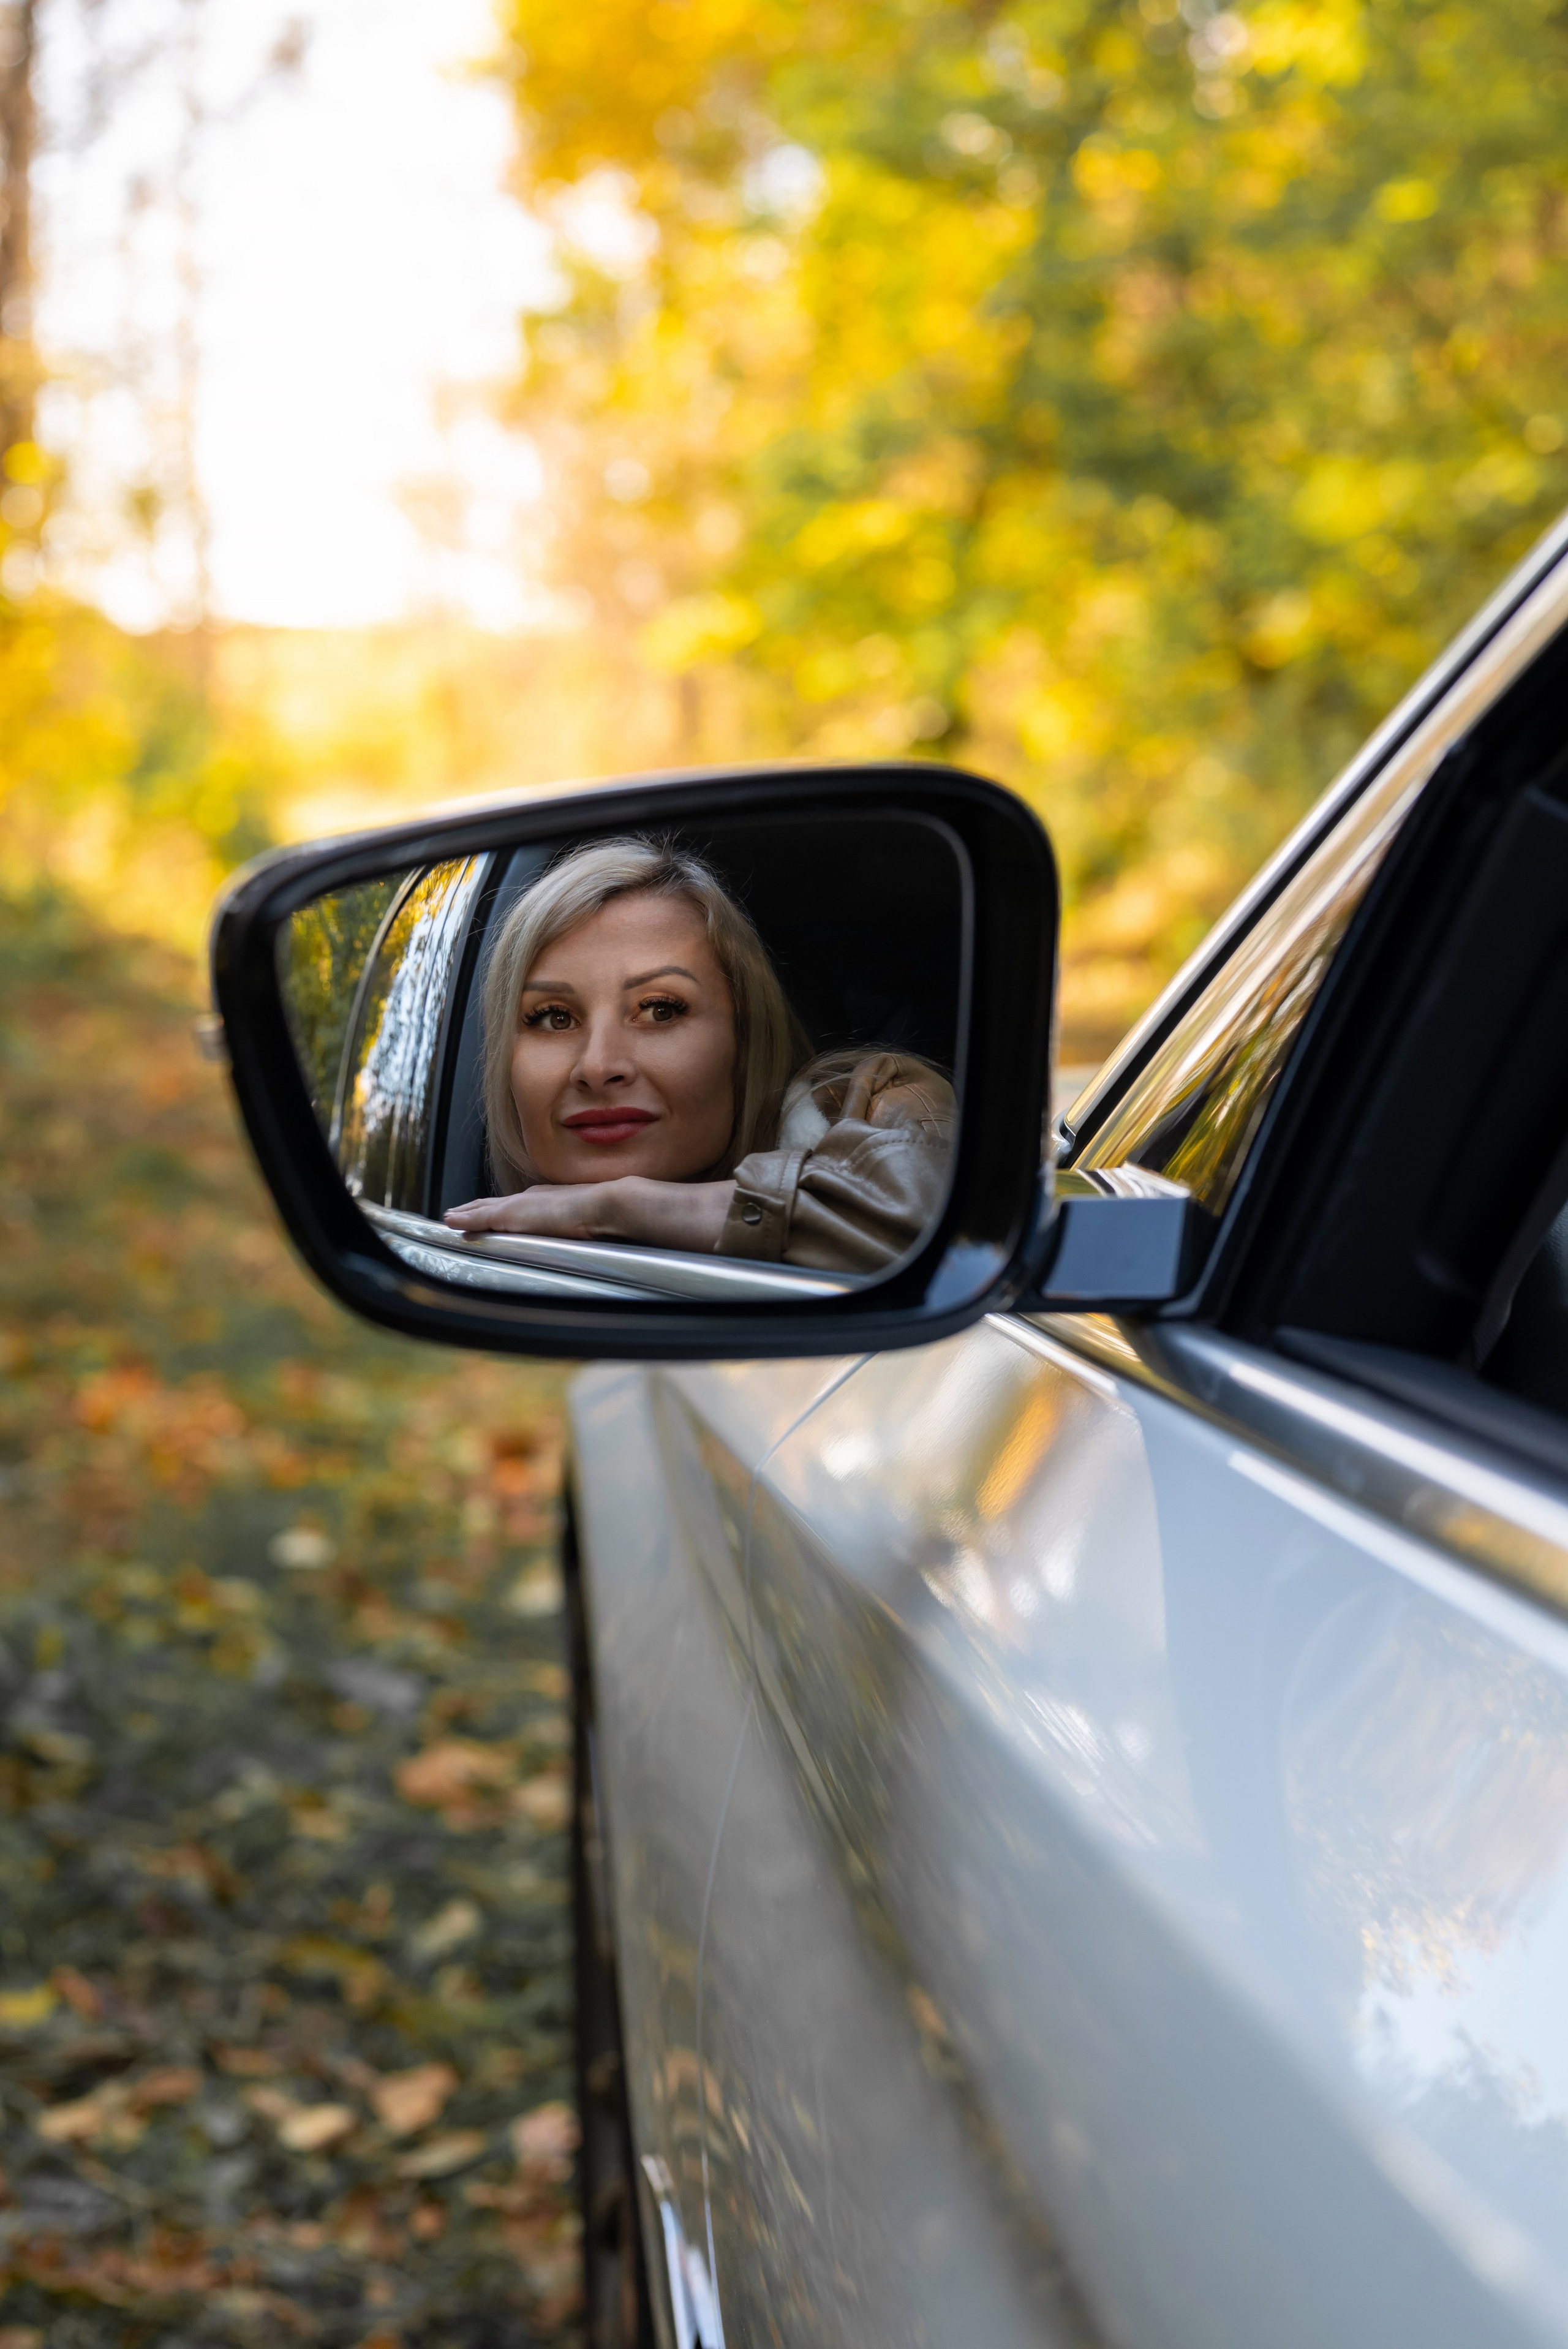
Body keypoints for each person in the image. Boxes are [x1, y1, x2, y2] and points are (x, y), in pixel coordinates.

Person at [442, 836, 954, 1274]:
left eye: (660, 1009)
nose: (597, 1066)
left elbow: (937, 1227)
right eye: (554, 1017)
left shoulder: (872, 1098)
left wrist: (624, 1209)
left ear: (745, 1036)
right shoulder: (500, 1261)